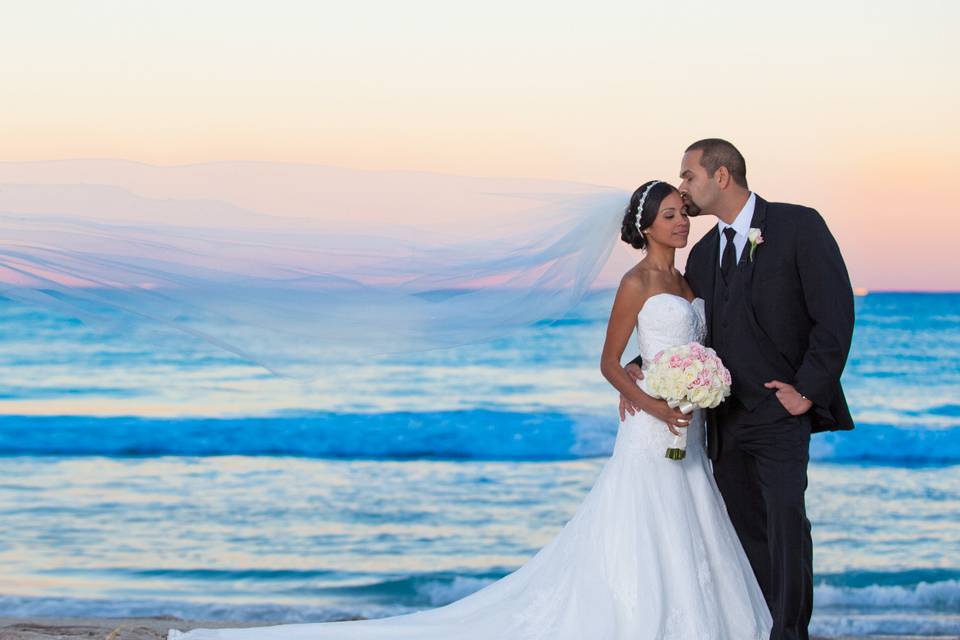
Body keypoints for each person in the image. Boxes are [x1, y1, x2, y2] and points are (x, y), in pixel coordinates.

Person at [167, 180, 773, 639]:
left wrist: (690, 383)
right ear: (645, 227)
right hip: (653, 427)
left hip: (687, 425)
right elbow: (609, 363)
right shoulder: (636, 282)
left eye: (682, 215)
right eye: (669, 217)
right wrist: (649, 402)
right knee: (646, 519)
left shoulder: (691, 283)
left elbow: (662, 348)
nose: (681, 225)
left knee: (693, 515)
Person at [621, 139, 855, 640]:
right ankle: (761, 625)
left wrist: (806, 391)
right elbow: (690, 328)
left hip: (779, 413)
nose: (683, 189)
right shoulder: (702, 255)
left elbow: (834, 315)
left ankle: (790, 634)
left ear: (721, 176)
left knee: (787, 527)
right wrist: (641, 370)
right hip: (723, 421)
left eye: (688, 177)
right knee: (742, 532)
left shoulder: (797, 225)